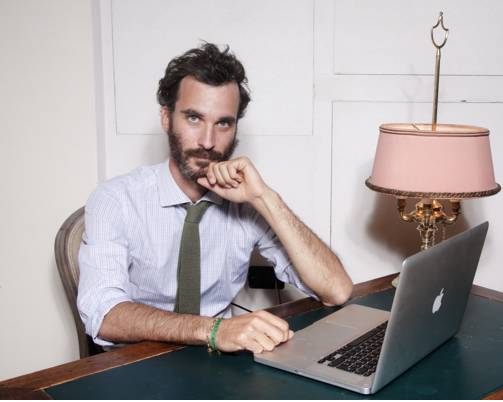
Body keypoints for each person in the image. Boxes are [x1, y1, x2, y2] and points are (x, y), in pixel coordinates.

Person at [77, 42, 353, 354]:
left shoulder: (247, 203)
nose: (208, 142)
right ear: (166, 118)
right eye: (194, 118)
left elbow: (337, 290)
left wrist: (265, 198)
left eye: (223, 123)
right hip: (139, 359)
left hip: (219, 359)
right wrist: (212, 329)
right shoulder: (116, 199)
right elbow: (103, 314)